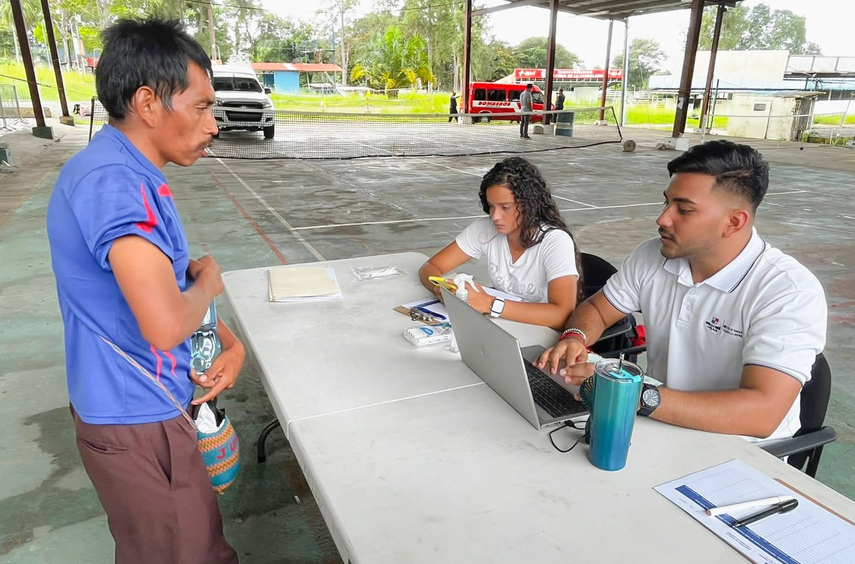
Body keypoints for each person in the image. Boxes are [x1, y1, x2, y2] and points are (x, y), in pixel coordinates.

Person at [46, 19, 241, 563]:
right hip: (138, 416)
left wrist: (230, 342)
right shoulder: (116, 185)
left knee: (190, 542)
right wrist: (208, 283)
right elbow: (162, 323)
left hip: (144, 405)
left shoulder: (124, 171)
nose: (213, 125)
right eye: (201, 107)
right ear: (149, 102)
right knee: (182, 552)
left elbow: (159, 289)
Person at [536, 140, 827, 442]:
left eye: (684, 210)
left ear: (734, 221)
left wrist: (636, 395)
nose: (663, 218)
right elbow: (597, 309)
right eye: (667, 202)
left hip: (741, 452)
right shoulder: (653, 256)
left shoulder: (788, 291)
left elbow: (761, 413)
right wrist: (575, 337)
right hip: (662, 422)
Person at [419, 157, 582, 330]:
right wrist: (441, 290)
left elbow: (562, 314)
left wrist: (491, 304)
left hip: (540, 332)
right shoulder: (484, 229)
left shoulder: (555, 241)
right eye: (491, 206)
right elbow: (430, 267)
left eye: (505, 207)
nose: (495, 216)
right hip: (500, 326)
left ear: (530, 205)